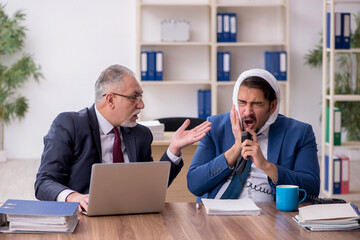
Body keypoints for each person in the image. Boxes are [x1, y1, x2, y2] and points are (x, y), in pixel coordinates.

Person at [35, 64, 211, 211]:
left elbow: (149, 188)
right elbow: (44, 183)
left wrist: (173, 149)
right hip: (83, 220)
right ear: (110, 100)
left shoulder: (141, 134)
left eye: (140, 97)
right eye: (134, 97)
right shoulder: (69, 125)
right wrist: (73, 197)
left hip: (131, 220)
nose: (141, 105)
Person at [187, 68, 320, 202]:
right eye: (242, 102)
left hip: (269, 218)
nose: (247, 112)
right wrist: (235, 149)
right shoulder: (215, 126)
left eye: (257, 104)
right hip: (216, 214)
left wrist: (267, 166)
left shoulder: (300, 133)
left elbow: (312, 189)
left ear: (272, 106)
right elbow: (194, 184)